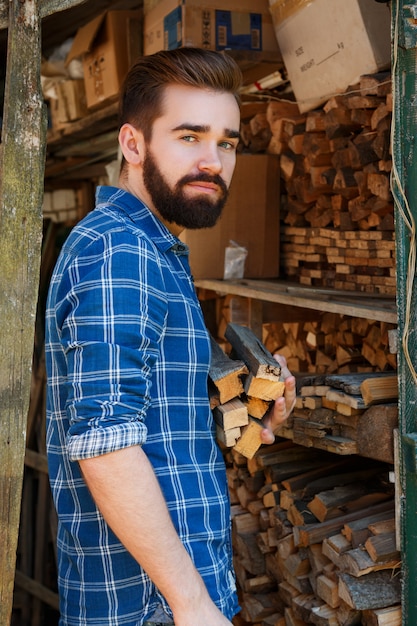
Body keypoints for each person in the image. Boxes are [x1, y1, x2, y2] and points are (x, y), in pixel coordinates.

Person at [45, 47, 296, 626]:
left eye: (227, 142)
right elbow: (105, 442)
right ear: (133, 145)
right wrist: (190, 603)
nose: (213, 160)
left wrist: (253, 422)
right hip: (147, 609)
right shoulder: (118, 252)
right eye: (190, 136)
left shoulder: (155, 249)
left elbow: (160, 428)